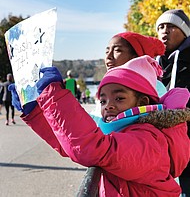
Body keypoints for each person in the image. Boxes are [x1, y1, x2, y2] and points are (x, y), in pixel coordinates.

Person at [9, 56, 190, 196]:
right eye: (103, 100)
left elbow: (92, 147)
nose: (108, 105)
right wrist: (35, 112)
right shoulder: (126, 132)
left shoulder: (149, 140)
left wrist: (54, 97)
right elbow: (71, 142)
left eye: (119, 98)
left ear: (142, 102)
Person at [156, 9, 190, 195]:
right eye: (160, 27)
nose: (164, 31)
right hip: (163, 151)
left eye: (171, 26)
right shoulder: (154, 63)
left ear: (184, 32)